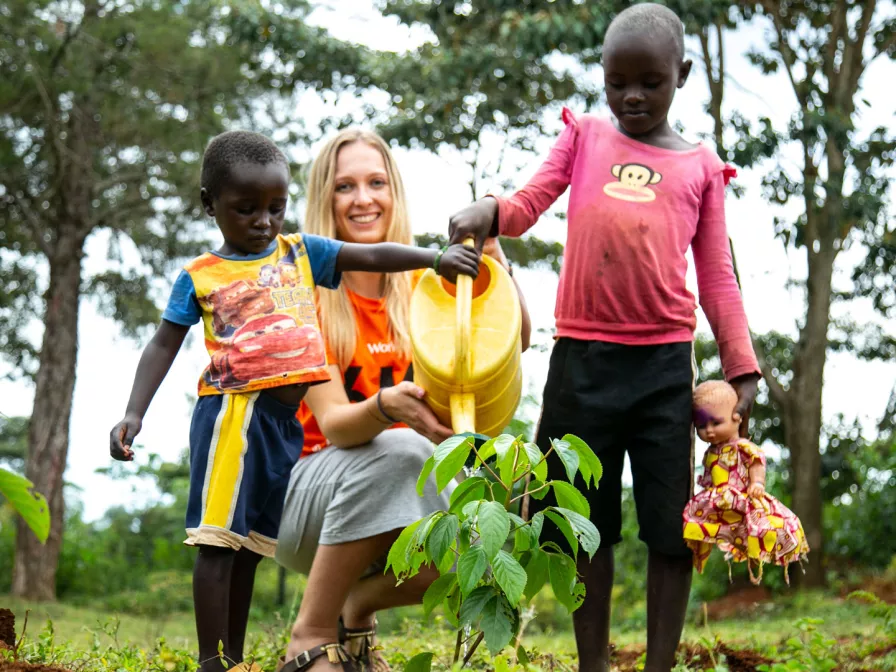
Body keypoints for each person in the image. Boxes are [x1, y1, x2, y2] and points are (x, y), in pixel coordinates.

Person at [447, 4, 762, 671]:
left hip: (662, 370)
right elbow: (529, 202)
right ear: (602, 77)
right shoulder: (585, 137)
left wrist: (741, 371)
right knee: (580, 523)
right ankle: (592, 664)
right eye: (617, 82)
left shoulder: (702, 167)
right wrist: (489, 211)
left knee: (670, 530)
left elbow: (718, 279)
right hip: (582, 364)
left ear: (682, 74)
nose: (632, 96)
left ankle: (657, 664)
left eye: (650, 81)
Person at [108, 130, 480, 672]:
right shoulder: (201, 275)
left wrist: (434, 257)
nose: (263, 221)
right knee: (218, 545)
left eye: (275, 208)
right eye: (246, 209)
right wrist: (134, 411)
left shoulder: (300, 254)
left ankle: (235, 659)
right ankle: (215, 662)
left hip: (281, 428)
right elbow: (164, 341)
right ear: (210, 205)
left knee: (251, 549)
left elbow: (371, 254)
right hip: (233, 416)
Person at [273, 128, 531, 672]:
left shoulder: (422, 285)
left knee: (493, 519)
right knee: (402, 451)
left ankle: (358, 608)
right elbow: (338, 425)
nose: (363, 199)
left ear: (395, 193)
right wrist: (388, 407)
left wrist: (496, 259)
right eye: (345, 187)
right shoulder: (306, 294)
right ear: (325, 199)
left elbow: (517, 339)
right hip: (307, 504)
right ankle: (309, 635)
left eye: (376, 183)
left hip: (391, 493)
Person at [683, 381, 808, 584]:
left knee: (762, 523)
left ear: (737, 417)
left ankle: (761, 550)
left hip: (741, 495)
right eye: (702, 426)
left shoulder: (742, 447)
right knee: (693, 521)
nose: (709, 431)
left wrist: (757, 482)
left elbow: (756, 462)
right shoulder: (710, 453)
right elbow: (708, 476)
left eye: (716, 423)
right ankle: (698, 552)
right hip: (717, 498)